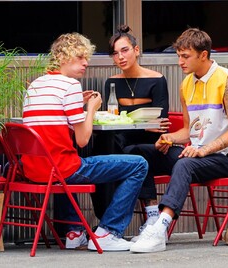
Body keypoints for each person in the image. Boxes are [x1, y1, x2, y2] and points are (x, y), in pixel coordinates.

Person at [22, 32, 148, 251]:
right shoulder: (70, 86)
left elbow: (52, 125)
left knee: (62, 159)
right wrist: (90, 109)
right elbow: (82, 140)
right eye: (80, 57)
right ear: (63, 58)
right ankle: (108, 231)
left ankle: (74, 232)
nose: (86, 63)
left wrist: (76, 104)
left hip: (35, 170)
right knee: (139, 164)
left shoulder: (35, 86)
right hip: (62, 171)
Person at [129, 28, 228, 253]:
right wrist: (169, 138)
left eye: (186, 56)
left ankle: (161, 229)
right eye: (179, 55)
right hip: (197, 152)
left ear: (203, 55)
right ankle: (153, 219)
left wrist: (203, 150)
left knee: (185, 163)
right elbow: (188, 130)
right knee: (139, 152)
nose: (180, 61)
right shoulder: (186, 85)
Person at [91, 25, 170, 235]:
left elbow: (160, 121)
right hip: (120, 140)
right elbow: (111, 118)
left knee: (135, 152)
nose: (120, 57)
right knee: (102, 147)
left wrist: (140, 124)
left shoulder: (157, 79)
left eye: (124, 50)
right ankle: (106, 218)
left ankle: (151, 214)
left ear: (136, 50)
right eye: (115, 54)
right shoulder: (112, 83)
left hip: (147, 143)